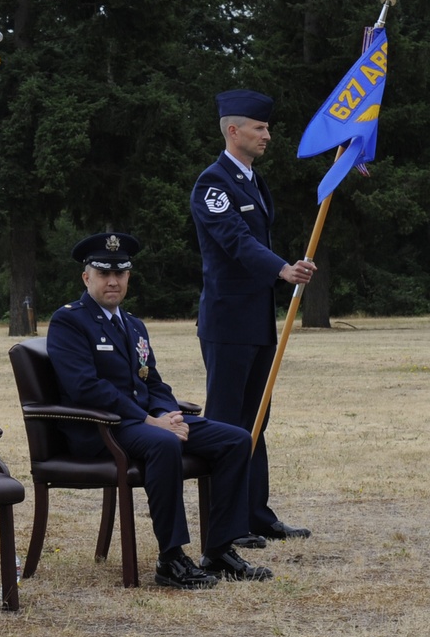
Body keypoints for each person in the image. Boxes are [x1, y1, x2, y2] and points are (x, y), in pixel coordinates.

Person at [46, 232, 272, 589]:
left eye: (120, 274)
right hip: (102, 429)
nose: (113, 281)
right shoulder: (69, 322)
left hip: (146, 423)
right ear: (86, 277)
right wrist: (153, 422)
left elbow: (153, 382)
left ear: (129, 278)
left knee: (236, 439)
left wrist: (172, 417)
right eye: (103, 273)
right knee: (163, 444)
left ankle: (219, 549)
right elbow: (85, 388)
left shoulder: (133, 323)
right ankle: (171, 558)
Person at [190, 89, 314, 546]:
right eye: (260, 129)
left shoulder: (253, 182)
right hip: (227, 324)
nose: (268, 136)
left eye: (268, 128)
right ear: (233, 130)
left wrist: (283, 272)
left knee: (256, 420)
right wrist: (282, 268)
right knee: (225, 424)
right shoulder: (213, 183)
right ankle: (226, 527)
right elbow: (234, 240)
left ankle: (256, 515)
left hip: (257, 320)